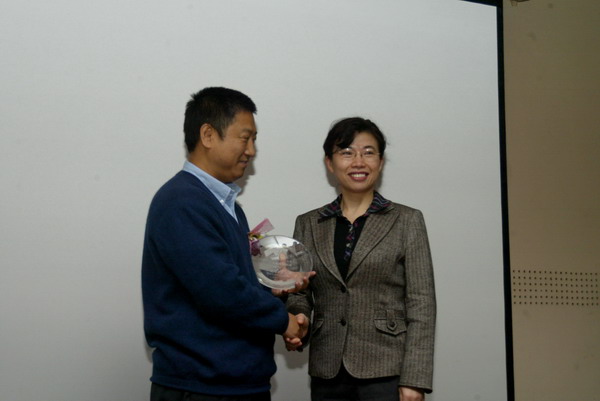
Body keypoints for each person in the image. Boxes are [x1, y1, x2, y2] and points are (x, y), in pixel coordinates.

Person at [142, 87, 309, 401]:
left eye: (254, 140)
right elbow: (221, 291)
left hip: (234, 384)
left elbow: (234, 280)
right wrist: (283, 321)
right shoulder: (182, 202)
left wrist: (274, 289)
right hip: (201, 387)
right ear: (208, 135)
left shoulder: (227, 206)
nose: (251, 151)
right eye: (245, 138)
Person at [286, 117, 436, 401]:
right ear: (330, 163)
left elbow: (422, 304)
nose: (358, 162)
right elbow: (299, 291)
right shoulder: (307, 223)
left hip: (386, 370)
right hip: (327, 370)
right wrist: (300, 317)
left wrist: (414, 380)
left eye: (368, 152)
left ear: (380, 162)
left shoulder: (407, 220)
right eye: (346, 152)